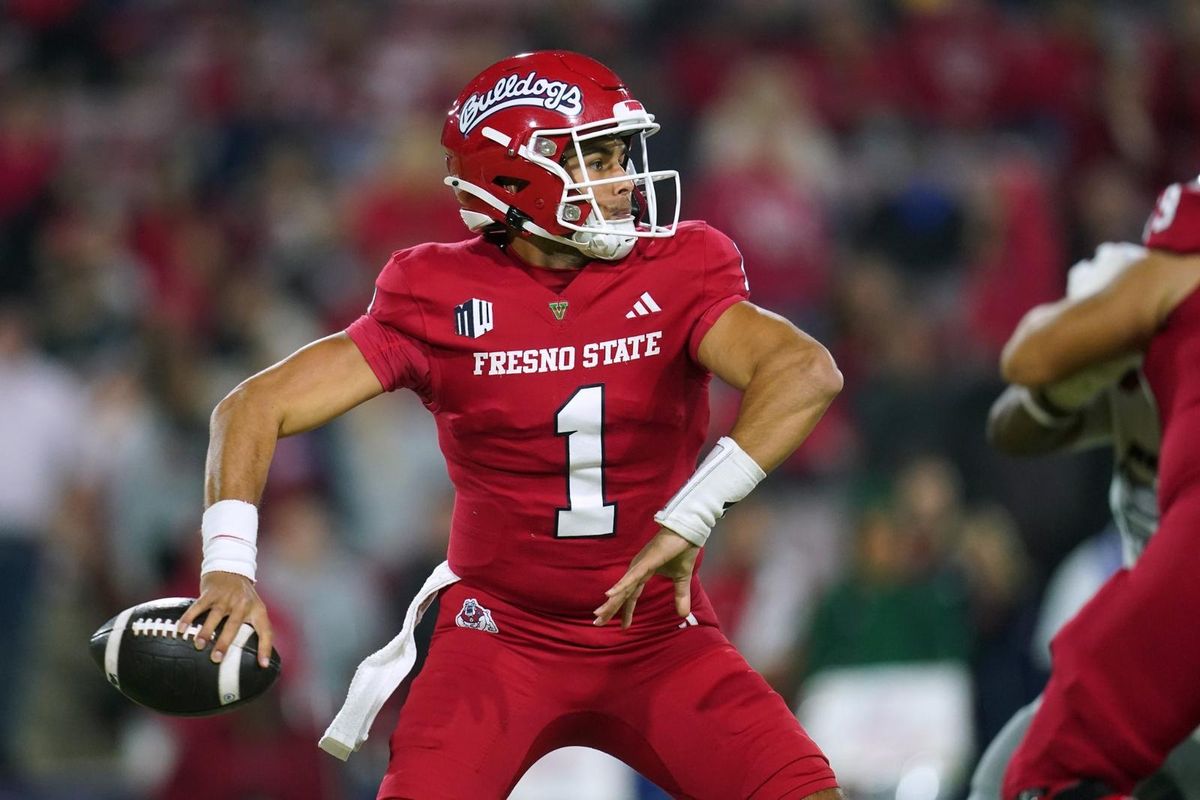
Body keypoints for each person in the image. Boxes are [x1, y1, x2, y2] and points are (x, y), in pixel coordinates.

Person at [177, 50, 845, 799]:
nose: (626, 178)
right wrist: (228, 567)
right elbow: (251, 405)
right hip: (500, 637)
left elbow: (805, 370)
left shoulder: (682, 265)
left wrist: (693, 513)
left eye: (623, 153)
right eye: (598, 157)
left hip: (658, 633)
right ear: (515, 178)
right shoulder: (436, 288)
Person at [982, 177, 1200, 800]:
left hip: (1174, 614)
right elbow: (1010, 423)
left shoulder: (1166, 296)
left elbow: (1027, 356)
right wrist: (1067, 393)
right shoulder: (1130, 300)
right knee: (1006, 771)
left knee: (1041, 767)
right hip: (1158, 621)